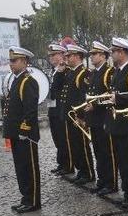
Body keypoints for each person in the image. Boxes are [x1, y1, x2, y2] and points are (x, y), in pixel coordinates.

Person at [2, 46, 41, 213]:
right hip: (16, 133)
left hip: (25, 134)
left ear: (24, 62)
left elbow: (30, 111)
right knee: (20, 168)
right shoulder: (17, 79)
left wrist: (24, 130)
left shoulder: (28, 81)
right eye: (10, 61)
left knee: (29, 168)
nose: (11, 64)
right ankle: (25, 198)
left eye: (14, 61)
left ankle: (33, 201)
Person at [105, 38, 128, 206]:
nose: (111, 54)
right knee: (122, 161)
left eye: (113, 51)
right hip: (117, 123)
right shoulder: (118, 71)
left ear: (122, 52)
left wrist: (118, 97)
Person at [85, 41, 117, 195]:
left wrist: (95, 105)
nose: (91, 57)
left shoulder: (109, 72)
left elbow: (109, 95)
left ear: (103, 55)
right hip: (94, 119)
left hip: (104, 117)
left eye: (94, 54)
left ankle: (110, 183)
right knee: (98, 152)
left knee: (107, 152)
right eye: (91, 54)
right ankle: (102, 180)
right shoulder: (94, 73)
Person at [61, 44, 95, 184]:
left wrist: (82, 117)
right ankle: (81, 171)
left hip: (78, 117)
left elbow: (84, 97)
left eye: (69, 56)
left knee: (82, 145)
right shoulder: (71, 72)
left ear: (77, 56)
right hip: (70, 116)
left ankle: (88, 172)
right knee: (74, 146)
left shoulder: (83, 73)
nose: (66, 58)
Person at [45, 44, 70, 175]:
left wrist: (60, 71)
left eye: (54, 55)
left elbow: (59, 88)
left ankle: (67, 165)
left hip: (60, 108)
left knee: (62, 138)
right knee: (56, 138)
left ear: (62, 55)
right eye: (50, 55)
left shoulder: (64, 70)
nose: (51, 58)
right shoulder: (51, 71)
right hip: (52, 108)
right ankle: (61, 163)